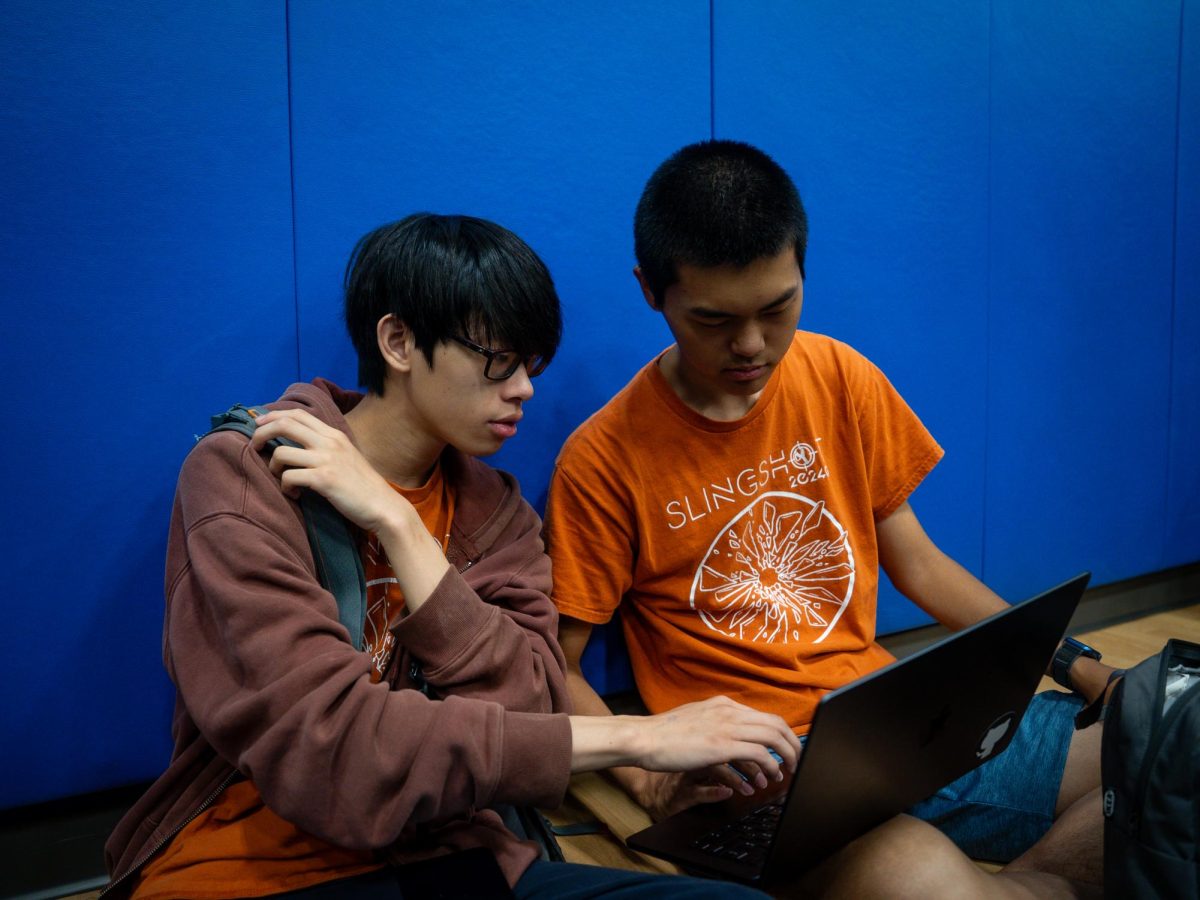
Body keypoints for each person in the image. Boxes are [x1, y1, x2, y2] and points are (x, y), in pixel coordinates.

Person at [102, 213, 802, 900]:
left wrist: (399, 527)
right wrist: (641, 741)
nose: (524, 388)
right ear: (400, 341)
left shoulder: (497, 517)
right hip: (246, 866)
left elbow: (531, 709)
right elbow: (336, 756)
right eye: (497, 361)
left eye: (530, 365)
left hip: (451, 853)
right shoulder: (247, 472)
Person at [544, 141, 1116, 896]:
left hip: (903, 723)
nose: (751, 345)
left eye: (777, 308)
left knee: (1169, 746)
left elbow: (917, 561)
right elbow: (558, 661)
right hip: (766, 773)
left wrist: (1082, 666)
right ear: (651, 291)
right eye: (714, 320)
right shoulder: (602, 458)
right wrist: (648, 781)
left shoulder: (841, 376)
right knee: (926, 884)